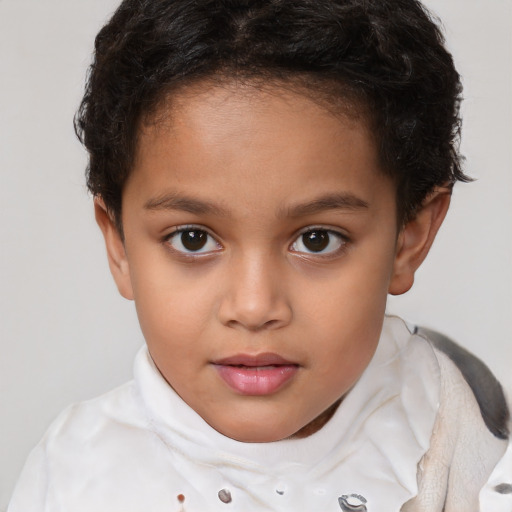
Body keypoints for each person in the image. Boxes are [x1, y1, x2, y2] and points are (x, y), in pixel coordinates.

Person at [8, 0, 511, 510]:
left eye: (317, 239)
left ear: (409, 237)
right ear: (119, 246)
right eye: (193, 239)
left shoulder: (464, 438)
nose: (253, 307)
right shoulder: (77, 474)